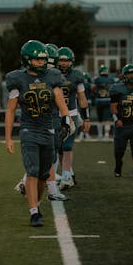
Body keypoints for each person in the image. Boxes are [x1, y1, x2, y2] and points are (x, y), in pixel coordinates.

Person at [5, 40, 73, 227]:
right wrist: (8, 137)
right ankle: (34, 212)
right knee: (32, 170)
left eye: (43, 60)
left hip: (48, 128)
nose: (41, 63)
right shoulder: (17, 78)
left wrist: (66, 122)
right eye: (36, 60)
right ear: (27, 60)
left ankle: (38, 203)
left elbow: (61, 102)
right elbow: (11, 110)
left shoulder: (53, 76)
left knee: (44, 174)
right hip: (29, 129)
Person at [56, 46, 90, 190]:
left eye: (67, 60)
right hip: (54, 115)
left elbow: (82, 98)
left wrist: (86, 118)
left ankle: (66, 176)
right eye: (61, 60)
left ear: (72, 62)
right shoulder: (51, 74)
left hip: (71, 114)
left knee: (67, 146)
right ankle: (68, 174)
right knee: (58, 148)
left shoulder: (76, 75)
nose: (64, 63)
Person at [92, 65, 116, 140]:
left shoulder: (97, 79)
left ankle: (100, 135)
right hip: (108, 100)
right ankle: (106, 135)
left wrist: (96, 94)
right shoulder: (111, 80)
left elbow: (93, 88)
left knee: (99, 119)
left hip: (99, 100)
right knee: (107, 119)